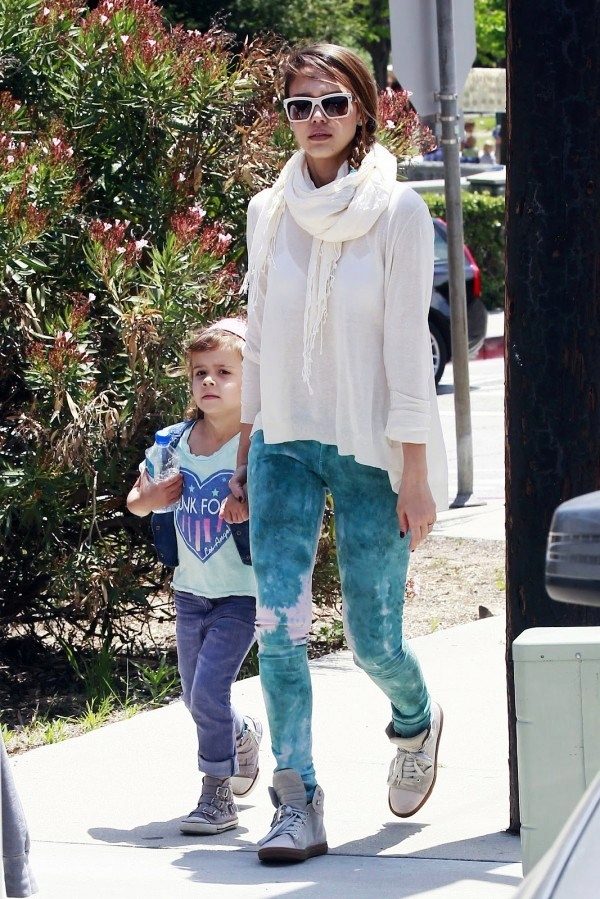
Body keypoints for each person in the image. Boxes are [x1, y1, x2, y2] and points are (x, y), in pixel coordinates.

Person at [229, 43, 448, 863]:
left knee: (373, 640)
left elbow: (408, 351)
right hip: (283, 443)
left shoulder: (399, 210)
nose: (315, 119)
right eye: (300, 106)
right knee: (280, 627)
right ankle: (297, 800)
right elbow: (258, 341)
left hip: (371, 449)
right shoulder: (268, 210)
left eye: (332, 102)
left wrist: (416, 475)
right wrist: (245, 453)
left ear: (362, 109)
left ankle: (416, 720)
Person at [126, 318, 262, 836]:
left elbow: (277, 514)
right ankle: (241, 732)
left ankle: (217, 795)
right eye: (200, 372)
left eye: (224, 372)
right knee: (193, 697)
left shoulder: (256, 447)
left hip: (241, 595)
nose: (209, 381)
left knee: (207, 693)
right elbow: (137, 502)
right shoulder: (173, 443)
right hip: (190, 593)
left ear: (251, 382)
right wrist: (150, 498)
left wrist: (248, 506)